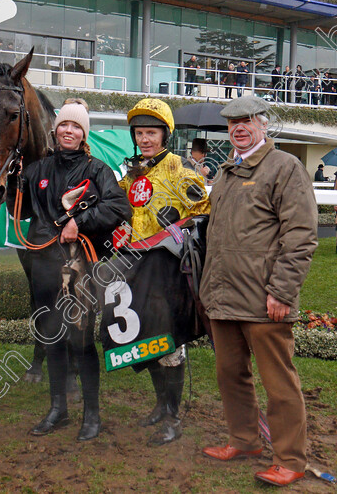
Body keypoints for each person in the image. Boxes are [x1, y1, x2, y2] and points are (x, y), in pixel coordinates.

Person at [200, 95, 317, 487]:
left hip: (265, 300)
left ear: (264, 125)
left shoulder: (285, 167)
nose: (239, 127)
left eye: (247, 120)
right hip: (223, 297)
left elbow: (300, 235)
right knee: (230, 374)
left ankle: (290, 458)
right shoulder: (227, 171)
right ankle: (244, 440)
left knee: (279, 383)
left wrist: (282, 291)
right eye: (232, 122)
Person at [8, 99, 131, 442]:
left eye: (76, 127)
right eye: (64, 125)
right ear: (55, 129)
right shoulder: (37, 170)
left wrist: (81, 220)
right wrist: (12, 180)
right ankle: (58, 409)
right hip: (44, 267)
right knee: (52, 340)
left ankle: (91, 415)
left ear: (83, 134)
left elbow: (119, 206)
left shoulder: (96, 171)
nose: (69, 131)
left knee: (80, 341)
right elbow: (21, 211)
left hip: (79, 269)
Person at [119, 98, 210, 445]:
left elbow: (204, 212)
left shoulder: (181, 170)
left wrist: (181, 224)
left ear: (165, 135)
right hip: (137, 268)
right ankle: (160, 405)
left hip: (171, 270)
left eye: (152, 133)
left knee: (169, 342)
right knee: (148, 339)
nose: (145, 139)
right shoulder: (131, 175)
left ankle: (173, 417)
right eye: (140, 133)